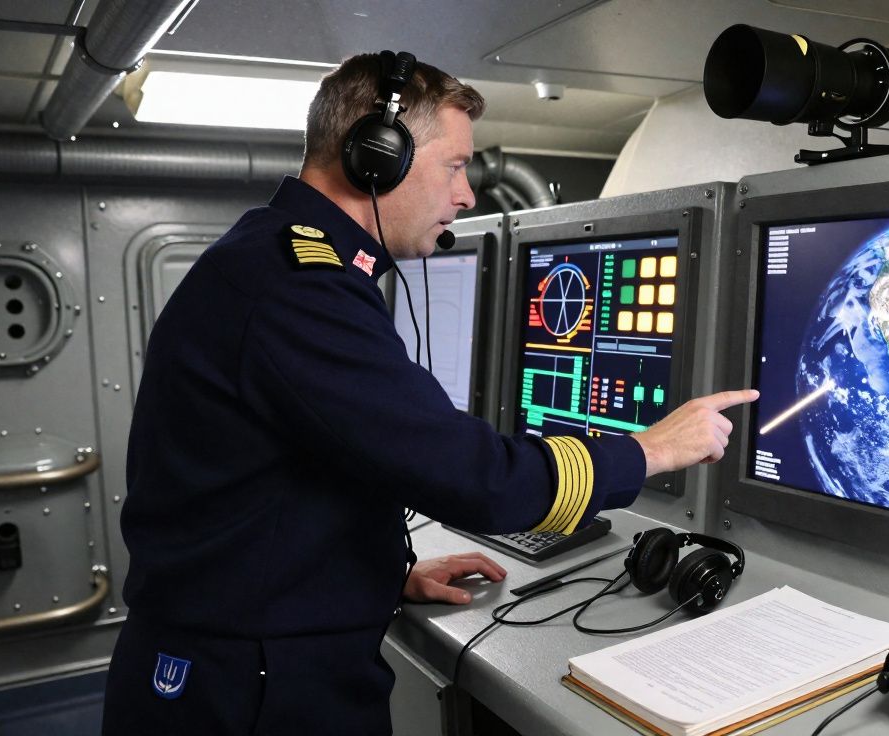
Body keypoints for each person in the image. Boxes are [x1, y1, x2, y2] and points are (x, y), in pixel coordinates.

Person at [101, 52, 756, 735]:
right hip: (247, 687)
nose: (468, 194)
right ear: (376, 158)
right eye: (453, 165)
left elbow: (279, 488)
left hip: (243, 652)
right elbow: (478, 481)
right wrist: (647, 451)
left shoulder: (279, 260)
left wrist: (379, 572)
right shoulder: (297, 288)